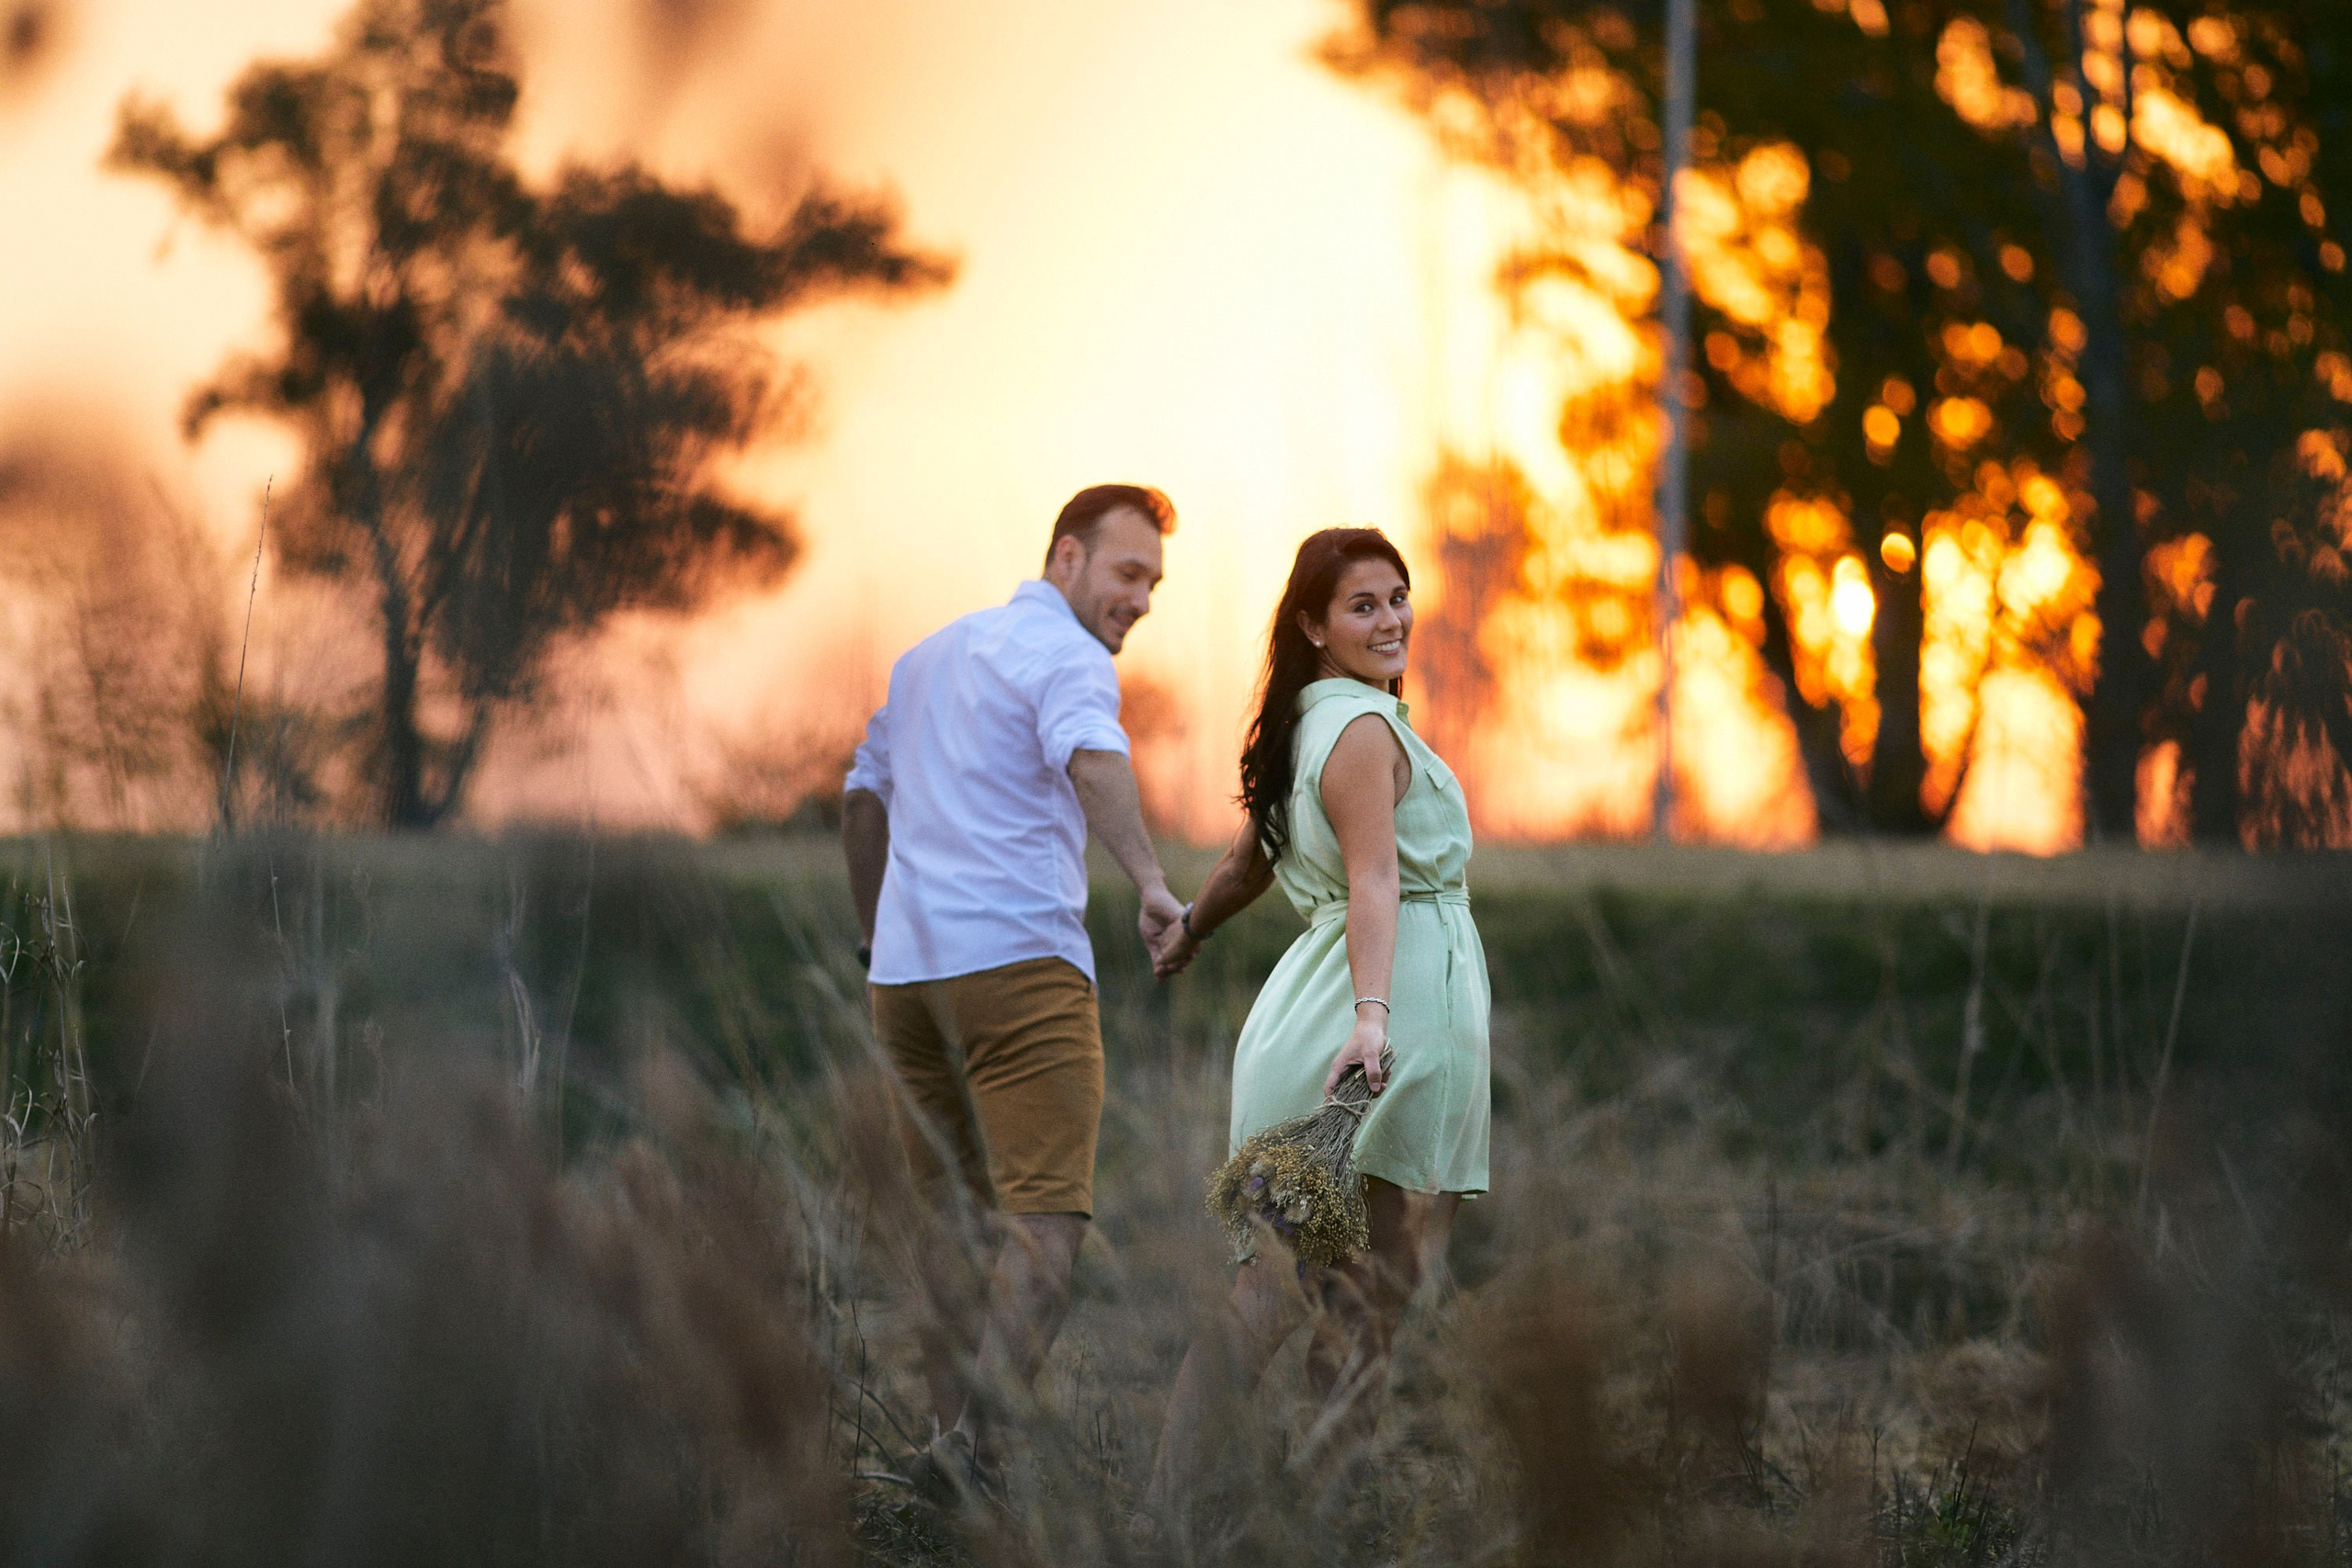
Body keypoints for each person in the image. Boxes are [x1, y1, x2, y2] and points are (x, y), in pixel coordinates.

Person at [841, 483, 1187, 1490]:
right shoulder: (1066, 656)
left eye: (1155, 583)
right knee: (1044, 1222)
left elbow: (861, 798)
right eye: (1129, 573)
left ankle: (946, 1459)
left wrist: (875, 936)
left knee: (951, 1224)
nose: (1143, 600)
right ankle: (974, 1453)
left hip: (904, 986)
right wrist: (1152, 883)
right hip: (1020, 974)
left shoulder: (925, 660)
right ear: (1066, 559)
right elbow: (1090, 757)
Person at [1146, 526, 1490, 1514]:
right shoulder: (1362, 730)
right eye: (1361, 605)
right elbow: (1376, 878)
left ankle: (1239, 1513)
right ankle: (1272, 1514)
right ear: (1313, 623)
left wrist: (1187, 932)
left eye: (1396, 598)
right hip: (1380, 1028)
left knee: (1326, 1295)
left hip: (1332, 1013)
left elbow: (1244, 865)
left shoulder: (1308, 726)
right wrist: (1374, 1020)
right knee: (1346, 1298)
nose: (1388, 621)